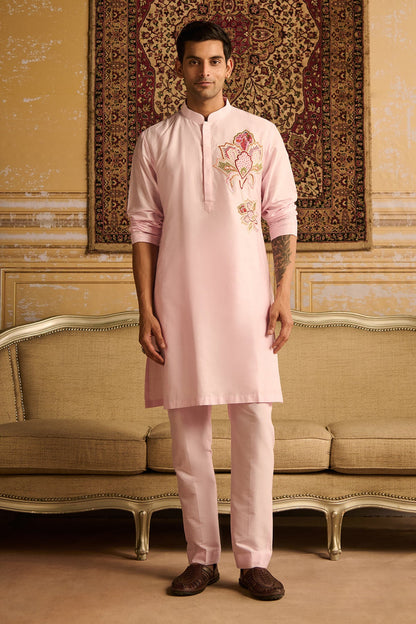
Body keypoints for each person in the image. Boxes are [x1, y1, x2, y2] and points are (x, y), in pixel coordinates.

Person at [127, 20, 297, 601]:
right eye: (195, 61)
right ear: (179, 67)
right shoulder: (154, 141)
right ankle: (201, 558)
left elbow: (282, 217)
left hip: (249, 302)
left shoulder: (261, 133)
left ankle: (254, 560)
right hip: (180, 302)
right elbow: (144, 229)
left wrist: (282, 295)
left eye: (215, 60)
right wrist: (145, 308)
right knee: (188, 436)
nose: (205, 71)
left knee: (255, 429)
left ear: (230, 66)